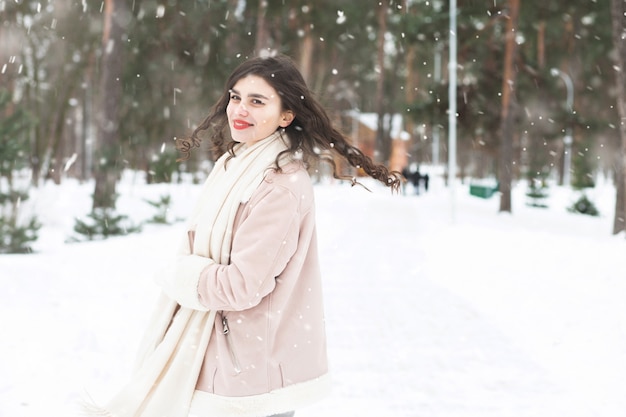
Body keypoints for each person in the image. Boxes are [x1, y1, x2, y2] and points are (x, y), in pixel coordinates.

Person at [86, 53, 401, 417]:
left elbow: (242, 285)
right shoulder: (233, 165)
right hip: (224, 363)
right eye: (236, 97)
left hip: (249, 376)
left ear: (287, 115)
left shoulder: (279, 185)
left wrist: (182, 275)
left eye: (257, 101)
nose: (240, 109)